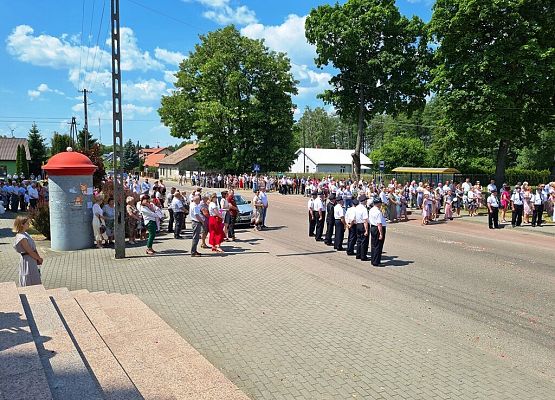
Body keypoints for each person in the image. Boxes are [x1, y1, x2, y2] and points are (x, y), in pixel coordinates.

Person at [13, 215, 43, 286]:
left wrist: (38, 258)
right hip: (27, 260)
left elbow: (33, 248)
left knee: (34, 276)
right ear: (22, 224)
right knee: (29, 277)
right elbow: (29, 251)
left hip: (32, 259)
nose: (29, 224)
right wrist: (38, 258)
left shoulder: (25, 234)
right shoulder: (21, 237)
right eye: (27, 223)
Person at [369, 197, 387, 267]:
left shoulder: (371, 210)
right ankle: (376, 261)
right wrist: (381, 234)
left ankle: (373, 260)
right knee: (378, 246)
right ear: (379, 203)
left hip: (373, 227)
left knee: (374, 245)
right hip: (377, 228)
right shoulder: (378, 212)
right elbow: (379, 224)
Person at [355, 194, 369, 261]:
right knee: (364, 241)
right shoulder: (364, 209)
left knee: (359, 240)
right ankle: (363, 256)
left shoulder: (357, 207)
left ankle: (358, 254)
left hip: (358, 224)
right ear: (364, 201)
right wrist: (366, 230)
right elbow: (365, 220)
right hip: (363, 225)